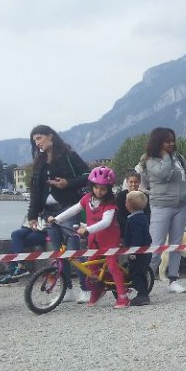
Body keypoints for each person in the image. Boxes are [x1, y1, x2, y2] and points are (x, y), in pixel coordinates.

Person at [26, 124, 91, 303]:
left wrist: (67, 183)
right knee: (57, 253)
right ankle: (66, 289)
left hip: (69, 208)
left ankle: (85, 288)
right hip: (48, 213)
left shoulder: (69, 156)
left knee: (73, 251)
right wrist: (32, 215)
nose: (37, 143)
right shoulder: (39, 163)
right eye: (35, 140)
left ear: (51, 136)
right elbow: (35, 191)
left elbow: (88, 174)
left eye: (39, 138)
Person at [50, 166, 129, 309]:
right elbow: (74, 209)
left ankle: (123, 296)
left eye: (103, 189)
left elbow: (106, 222)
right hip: (93, 238)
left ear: (109, 190)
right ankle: (96, 290)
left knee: (112, 266)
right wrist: (57, 219)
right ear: (91, 186)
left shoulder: (110, 204)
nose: (99, 191)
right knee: (91, 267)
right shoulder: (87, 199)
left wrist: (87, 229)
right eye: (96, 188)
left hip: (109, 239)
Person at [141, 127, 186, 294]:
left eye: (173, 140)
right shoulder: (150, 161)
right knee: (156, 245)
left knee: (176, 244)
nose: (171, 144)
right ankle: (145, 279)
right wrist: (166, 156)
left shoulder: (179, 158)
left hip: (181, 205)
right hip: (161, 206)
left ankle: (173, 279)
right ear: (158, 142)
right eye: (167, 141)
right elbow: (163, 174)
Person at [123, 190, 153, 306]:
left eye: (126, 201)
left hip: (138, 252)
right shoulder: (142, 217)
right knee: (142, 272)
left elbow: (137, 237)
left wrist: (133, 251)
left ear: (129, 204)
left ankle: (142, 295)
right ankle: (143, 293)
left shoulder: (135, 220)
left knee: (136, 273)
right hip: (145, 250)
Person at [116, 171, 149, 237]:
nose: (133, 184)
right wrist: (130, 224)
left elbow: (148, 213)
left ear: (139, 182)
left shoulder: (144, 196)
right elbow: (119, 214)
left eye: (136, 182)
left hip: (142, 229)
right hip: (125, 229)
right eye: (131, 182)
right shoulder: (121, 196)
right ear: (127, 182)